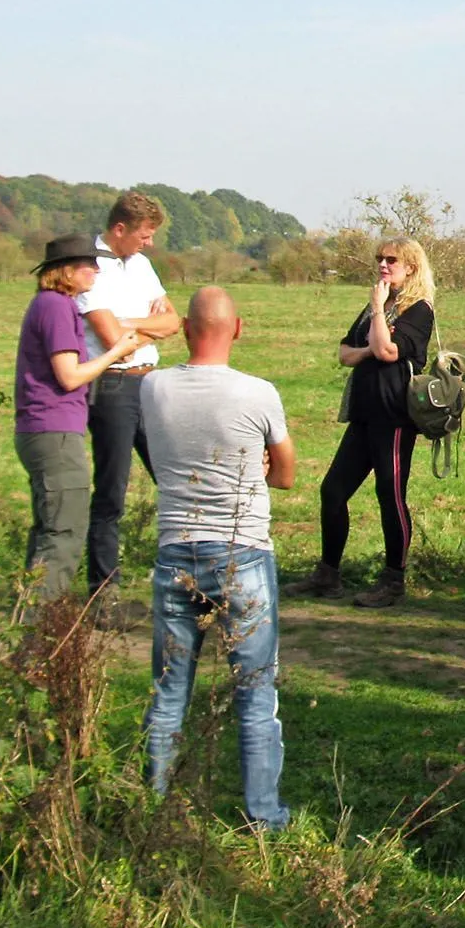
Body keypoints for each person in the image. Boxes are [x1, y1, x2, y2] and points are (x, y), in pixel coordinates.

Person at [139, 287, 295, 831]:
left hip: (174, 549)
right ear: (239, 328)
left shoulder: (153, 388)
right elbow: (286, 472)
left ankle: (152, 806)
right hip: (243, 552)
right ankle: (263, 817)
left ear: (184, 329)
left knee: (169, 689)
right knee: (254, 695)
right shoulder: (259, 393)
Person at [288, 236, 437, 608]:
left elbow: (388, 351)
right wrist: (373, 332)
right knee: (333, 491)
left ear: (411, 268)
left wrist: (375, 325)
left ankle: (393, 580)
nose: (383, 266)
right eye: (380, 259)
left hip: (395, 417)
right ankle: (328, 573)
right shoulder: (377, 305)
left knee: (391, 496)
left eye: (392, 260)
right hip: (363, 415)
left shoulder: (418, 309)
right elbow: (344, 353)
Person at [14, 234, 146, 599]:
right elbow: (69, 375)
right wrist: (116, 351)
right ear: (65, 271)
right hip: (53, 430)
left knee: (48, 527)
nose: (95, 270)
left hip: (43, 429)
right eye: (87, 264)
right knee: (65, 530)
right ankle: (41, 626)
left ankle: (26, 618)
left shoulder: (52, 304)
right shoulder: (56, 307)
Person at [77, 191, 181, 609]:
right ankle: (104, 591)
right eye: (145, 234)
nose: (149, 243)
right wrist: (148, 326)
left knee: (173, 478)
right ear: (120, 229)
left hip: (149, 381)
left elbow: (174, 321)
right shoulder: (89, 267)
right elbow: (107, 337)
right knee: (112, 491)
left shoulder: (140, 264)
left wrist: (132, 324)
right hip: (113, 386)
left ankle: (188, 576)